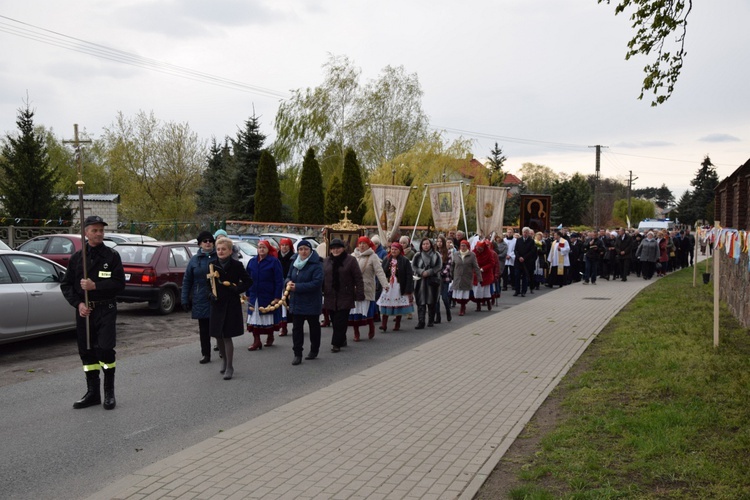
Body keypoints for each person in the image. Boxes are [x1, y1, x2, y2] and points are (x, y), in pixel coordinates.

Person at [61, 215, 126, 410]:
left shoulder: (112, 256)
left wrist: (95, 285)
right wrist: (79, 304)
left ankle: (109, 392)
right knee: (87, 352)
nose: (99, 234)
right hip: (85, 312)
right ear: (85, 233)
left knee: (105, 349)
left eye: (101, 230)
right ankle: (93, 393)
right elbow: (66, 285)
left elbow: (119, 284)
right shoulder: (77, 258)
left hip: (105, 309)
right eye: (95, 230)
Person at [207, 237, 251, 380]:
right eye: (218, 249)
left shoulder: (237, 265)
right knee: (217, 335)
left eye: (223, 249)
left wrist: (237, 289)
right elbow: (208, 285)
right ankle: (224, 361)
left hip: (231, 304)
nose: (220, 251)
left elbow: (248, 281)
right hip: (217, 304)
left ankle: (230, 366)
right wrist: (210, 295)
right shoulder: (212, 265)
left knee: (227, 336)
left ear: (230, 251)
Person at [181, 230, 217, 364]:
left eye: (210, 241)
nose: (208, 243)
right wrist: (184, 299)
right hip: (200, 297)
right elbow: (187, 281)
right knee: (204, 329)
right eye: (205, 241)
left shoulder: (218, 257)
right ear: (200, 244)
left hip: (216, 297)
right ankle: (206, 354)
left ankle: (223, 350)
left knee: (219, 326)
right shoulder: (194, 260)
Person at [285, 240, 323, 365]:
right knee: (297, 329)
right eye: (300, 249)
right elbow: (288, 276)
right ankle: (297, 353)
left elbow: (317, 283)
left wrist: (298, 287)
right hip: (297, 301)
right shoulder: (294, 262)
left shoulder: (316, 264)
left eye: (306, 249)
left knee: (314, 327)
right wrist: (288, 283)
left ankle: (314, 349)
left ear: (310, 250)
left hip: (311, 301)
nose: (303, 252)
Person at [323, 238, 365, 352]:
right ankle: (342, 339)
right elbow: (323, 277)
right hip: (330, 295)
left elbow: (358, 278)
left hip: (345, 295)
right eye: (333, 248)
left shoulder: (350, 260)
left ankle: (336, 344)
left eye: (338, 248)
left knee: (341, 320)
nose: (335, 250)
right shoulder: (326, 261)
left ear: (343, 248)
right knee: (335, 321)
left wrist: (360, 294)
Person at [246, 240, 284, 351]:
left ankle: (270, 336)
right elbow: (247, 279)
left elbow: (278, 280)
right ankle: (256, 341)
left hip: (268, 295)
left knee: (267, 317)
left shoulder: (274, 262)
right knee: (254, 318)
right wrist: (247, 293)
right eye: (259, 247)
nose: (261, 249)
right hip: (254, 295)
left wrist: (277, 296)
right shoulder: (252, 262)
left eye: (263, 247)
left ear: (268, 249)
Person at [349, 236, 389, 341]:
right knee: (354, 311)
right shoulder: (353, 256)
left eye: (364, 243)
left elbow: (379, 272)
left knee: (368, 311)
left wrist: (385, 284)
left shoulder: (373, 256)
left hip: (367, 288)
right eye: (360, 243)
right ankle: (356, 333)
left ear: (368, 245)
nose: (362, 245)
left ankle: (371, 327)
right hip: (354, 289)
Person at [377, 242, 414, 331]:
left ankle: (397, 324)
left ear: (399, 250)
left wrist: (408, 288)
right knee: (385, 304)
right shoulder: (387, 259)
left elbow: (409, 275)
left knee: (398, 304)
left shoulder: (404, 261)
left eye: (395, 249)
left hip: (399, 285)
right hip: (388, 285)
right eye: (392, 249)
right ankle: (384, 324)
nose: (393, 251)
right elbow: (382, 272)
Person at [411, 237, 442, 329]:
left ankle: (431, 320)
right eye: (424, 244)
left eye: (427, 244)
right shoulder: (417, 255)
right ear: (421, 245)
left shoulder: (436, 255)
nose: (425, 246)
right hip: (420, 281)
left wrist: (429, 272)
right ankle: (421, 321)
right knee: (420, 302)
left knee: (432, 301)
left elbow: (439, 266)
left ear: (431, 244)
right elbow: (414, 266)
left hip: (432, 281)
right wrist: (421, 271)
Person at [450, 240, 481, 316]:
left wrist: (479, 278)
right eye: (461, 245)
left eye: (464, 246)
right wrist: (451, 275)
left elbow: (476, 267)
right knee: (458, 296)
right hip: (457, 277)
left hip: (467, 278)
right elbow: (452, 265)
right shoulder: (456, 254)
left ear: (467, 247)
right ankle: (462, 305)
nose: (462, 247)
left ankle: (462, 308)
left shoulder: (472, 255)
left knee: (464, 295)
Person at [277, 238, 297, 337]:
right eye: (282, 245)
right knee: (281, 306)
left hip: (290, 283)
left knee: (291, 305)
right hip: (279, 283)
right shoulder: (276, 256)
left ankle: (296, 326)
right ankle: (283, 327)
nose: (284, 247)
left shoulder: (293, 257)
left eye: (286, 245)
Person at [472, 240, 495, 310]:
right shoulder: (473, 252)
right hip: (476, 274)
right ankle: (478, 305)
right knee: (477, 291)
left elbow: (492, 263)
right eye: (478, 248)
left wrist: (483, 268)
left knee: (486, 291)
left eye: (480, 249)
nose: (479, 250)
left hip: (485, 274)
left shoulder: (489, 253)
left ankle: (488, 303)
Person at [513, 227, 536, 297]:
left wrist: (524, 257)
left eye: (526, 232)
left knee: (525, 277)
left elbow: (532, 251)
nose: (525, 234)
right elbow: (515, 250)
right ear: (522, 233)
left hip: (526, 262)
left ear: (528, 233)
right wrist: (519, 257)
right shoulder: (519, 240)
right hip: (518, 261)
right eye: (524, 232)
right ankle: (517, 290)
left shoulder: (531, 241)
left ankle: (523, 291)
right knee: (517, 276)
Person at [435, 235, 453, 323]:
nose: (439, 243)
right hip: (435, 277)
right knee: (436, 298)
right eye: (437, 241)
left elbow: (449, 265)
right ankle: (437, 316)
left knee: (444, 297)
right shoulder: (434, 252)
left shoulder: (448, 252)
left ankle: (448, 311)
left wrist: (442, 273)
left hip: (444, 277)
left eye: (441, 241)